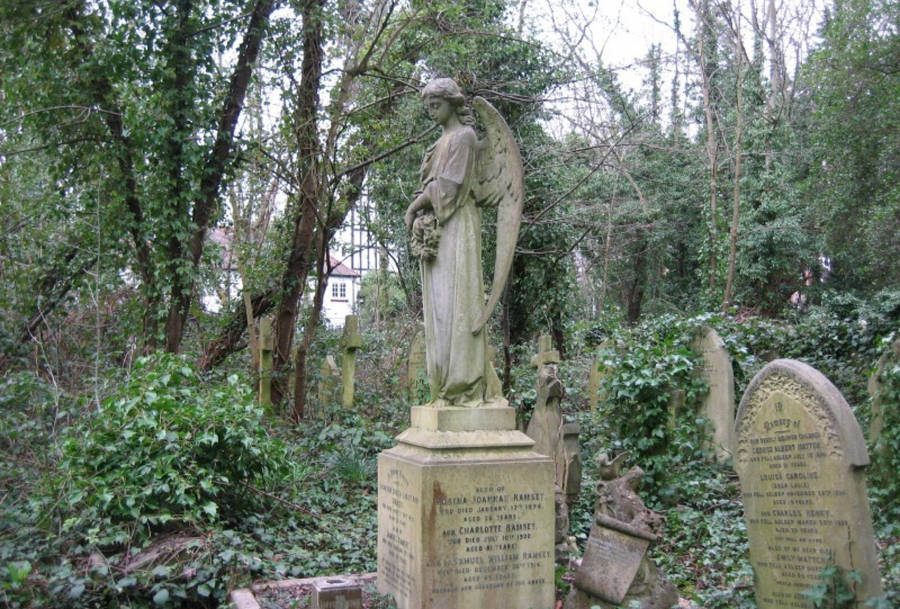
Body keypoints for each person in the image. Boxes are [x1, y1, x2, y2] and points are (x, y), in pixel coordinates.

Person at [404, 78, 502, 407]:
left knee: (459, 303)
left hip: (458, 225)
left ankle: (464, 385)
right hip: (438, 233)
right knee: (441, 308)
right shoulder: (440, 142)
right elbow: (430, 186)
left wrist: (417, 206)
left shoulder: (465, 137)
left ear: (451, 102)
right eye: (427, 107)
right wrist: (420, 211)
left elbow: (451, 186)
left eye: (436, 105)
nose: (431, 112)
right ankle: (443, 384)